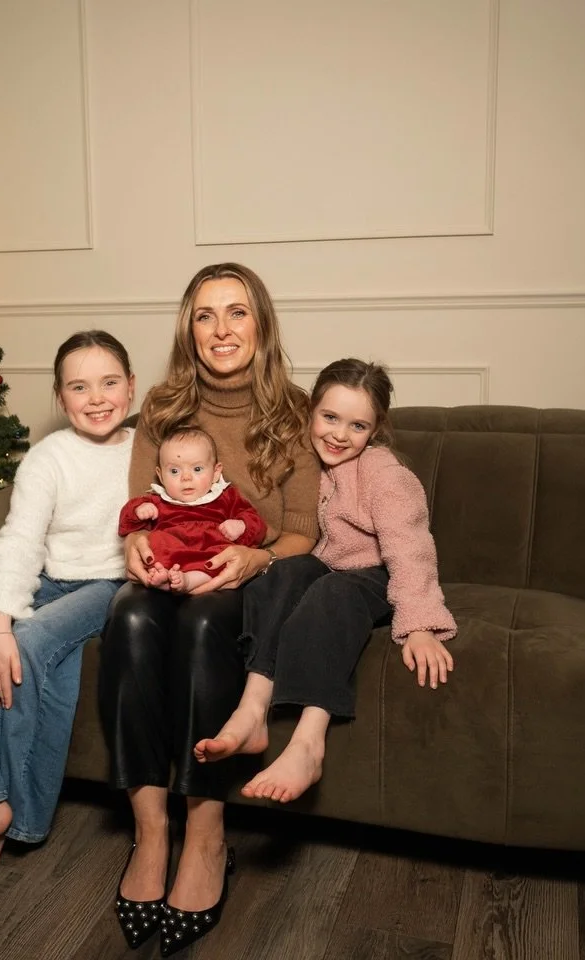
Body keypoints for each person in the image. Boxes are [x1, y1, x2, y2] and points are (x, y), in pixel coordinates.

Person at [98, 263, 320, 956]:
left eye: (237, 312)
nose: (221, 330)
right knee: (130, 616)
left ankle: (205, 835)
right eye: (205, 315)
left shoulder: (295, 412)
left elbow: (302, 533)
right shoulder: (163, 406)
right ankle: (151, 831)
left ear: (261, 325)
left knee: (202, 626)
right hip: (169, 570)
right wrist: (136, 548)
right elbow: (140, 511)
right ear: (188, 329)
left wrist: (253, 559)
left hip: (250, 575)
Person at [195, 358, 457, 805]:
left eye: (357, 426)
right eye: (330, 417)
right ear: (310, 411)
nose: (339, 435)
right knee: (284, 572)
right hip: (325, 569)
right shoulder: (302, 462)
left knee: (331, 592)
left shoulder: (384, 475)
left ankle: (308, 743)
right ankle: (252, 710)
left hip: (374, 576)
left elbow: (410, 549)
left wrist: (420, 625)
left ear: (375, 429)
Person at [0, 330, 135, 901]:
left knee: (31, 642)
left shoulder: (146, 449)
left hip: (111, 584)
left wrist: (12, 637)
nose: (96, 398)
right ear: (59, 395)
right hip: (51, 578)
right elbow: (21, 540)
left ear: (131, 386)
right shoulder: (48, 457)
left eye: (109, 383)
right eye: (79, 387)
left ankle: (22, 814)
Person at [117, 425, 267, 593]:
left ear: (216, 472)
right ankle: (163, 577)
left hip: (209, 551)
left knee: (223, 555)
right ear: (160, 476)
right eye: (174, 471)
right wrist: (138, 511)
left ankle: (188, 581)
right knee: (156, 543)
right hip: (170, 555)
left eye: (197, 469)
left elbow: (257, 524)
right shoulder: (157, 500)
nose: (186, 478)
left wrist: (241, 525)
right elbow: (126, 524)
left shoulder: (226, 497)